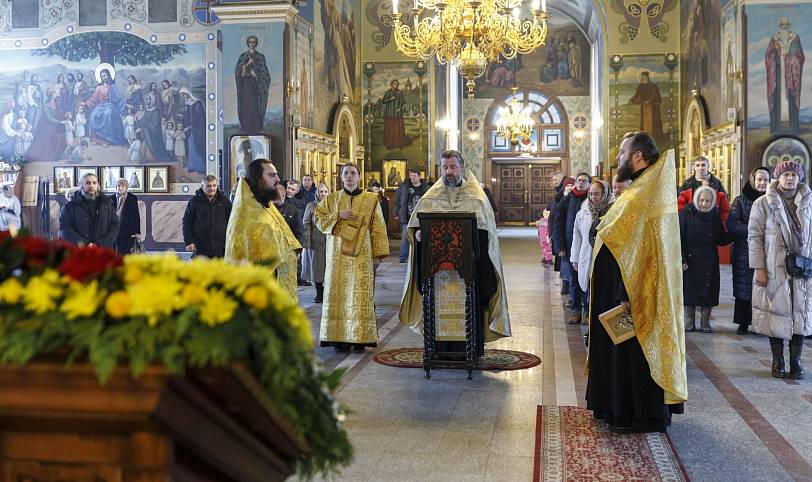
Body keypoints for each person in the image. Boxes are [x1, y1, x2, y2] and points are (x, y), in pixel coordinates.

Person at [586, 131, 686, 433]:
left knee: (632, 354)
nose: (618, 158)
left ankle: (633, 413)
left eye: (622, 152)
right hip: (623, 289)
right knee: (623, 352)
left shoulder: (643, 195)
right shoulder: (641, 189)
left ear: (638, 156)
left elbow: (636, 250)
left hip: (629, 292)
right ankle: (616, 407)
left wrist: (624, 292)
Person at [400, 150, 512, 356]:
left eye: (453, 167)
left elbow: (486, 232)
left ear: (462, 167)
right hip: (437, 270)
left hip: (469, 268)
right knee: (437, 309)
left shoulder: (477, 197)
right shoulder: (430, 197)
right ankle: (438, 350)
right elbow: (417, 226)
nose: (449, 171)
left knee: (471, 306)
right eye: (445, 167)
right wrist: (419, 236)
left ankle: (471, 351)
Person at [315, 163, 389, 351]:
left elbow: (378, 226)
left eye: (353, 173)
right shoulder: (331, 199)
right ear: (341, 177)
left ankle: (359, 337)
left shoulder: (371, 199)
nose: (349, 176)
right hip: (337, 257)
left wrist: (378, 254)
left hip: (361, 258)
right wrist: (338, 215)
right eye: (346, 173)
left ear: (359, 177)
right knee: (338, 295)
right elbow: (318, 219)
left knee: (359, 296)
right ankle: (338, 338)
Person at [748, 160, 811, 379]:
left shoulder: (809, 202)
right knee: (776, 311)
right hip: (775, 266)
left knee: (800, 313)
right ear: (778, 178)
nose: (790, 178)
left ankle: (796, 360)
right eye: (785, 175)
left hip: (804, 268)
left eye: (794, 175)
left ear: (799, 178)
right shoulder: (762, 203)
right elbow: (754, 237)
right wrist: (759, 267)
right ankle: (778, 359)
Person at [225, 159, 301, 297]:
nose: (278, 179)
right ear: (258, 179)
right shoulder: (246, 214)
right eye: (271, 175)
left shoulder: (265, 205)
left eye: (276, 174)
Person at [679, 185, 730, 333]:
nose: (704, 204)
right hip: (690, 260)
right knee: (689, 291)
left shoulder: (714, 215)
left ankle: (705, 322)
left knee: (709, 292)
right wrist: (682, 259)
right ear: (696, 200)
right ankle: (689, 322)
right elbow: (679, 238)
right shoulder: (686, 213)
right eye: (701, 200)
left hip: (709, 260)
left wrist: (735, 233)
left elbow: (720, 237)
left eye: (708, 201)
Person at [727, 167, 771, 335]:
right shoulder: (740, 200)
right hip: (744, 251)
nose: (762, 183)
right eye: (759, 179)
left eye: (765, 180)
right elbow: (732, 225)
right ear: (753, 180)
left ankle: (761, 323)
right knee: (743, 286)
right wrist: (754, 231)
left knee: (764, 287)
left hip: (767, 251)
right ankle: (743, 322)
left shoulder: (772, 200)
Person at [570, 180, 611, 324]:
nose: (593, 197)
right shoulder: (583, 213)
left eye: (597, 194)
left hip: (604, 256)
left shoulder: (612, 210)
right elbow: (577, 236)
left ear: (604, 194)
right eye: (591, 194)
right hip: (586, 254)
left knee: (601, 286)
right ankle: (586, 311)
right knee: (585, 283)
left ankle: (598, 315)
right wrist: (574, 258)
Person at [554, 172, 591, 323]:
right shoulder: (567, 199)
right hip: (571, 246)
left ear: (589, 183)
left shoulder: (593, 198)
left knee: (588, 279)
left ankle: (588, 310)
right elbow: (558, 223)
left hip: (588, 246)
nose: (581, 183)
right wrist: (560, 245)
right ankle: (576, 310)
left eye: (584, 181)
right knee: (574, 279)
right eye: (579, 180)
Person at [59, 173, 120, 248]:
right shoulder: (70, 207)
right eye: (88, 183)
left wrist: (100, 244)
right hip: (79, 252)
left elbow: (115, 225)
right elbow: (65, 228)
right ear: (81, 185)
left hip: (103, 251)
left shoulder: (107, 204)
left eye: (94, 183)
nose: (91, 186)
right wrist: (84, 244)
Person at [766, 17, 804, 135]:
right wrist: (776, 57)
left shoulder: (794, 38)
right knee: (777, 96)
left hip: (791, 75)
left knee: (791, 97)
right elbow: (768, 56)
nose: (784, 27)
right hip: (777, 74)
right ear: (779, 26)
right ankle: (776, 128)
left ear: (789, 25)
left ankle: (794, 128)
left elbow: (800, 56)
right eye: (782, 25)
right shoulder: (774, 39)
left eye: (786, 25)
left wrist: (792, 60)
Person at [183, 175, 232, 258]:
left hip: (220, 248)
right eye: (208, 186)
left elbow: (231, 222)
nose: (212, 188)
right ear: (202, 187)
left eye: (214, 185)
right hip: (200, 248)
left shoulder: (225, 201)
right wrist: (188, 242)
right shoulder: (194, 202)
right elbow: (186, 223)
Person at [677, 156, 731, 223]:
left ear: (708, 166)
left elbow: (725, 208)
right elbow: (680, 208)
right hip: (693, 223)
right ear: (694, 167)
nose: (700, 168)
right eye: (697, 165)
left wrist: (722, 223)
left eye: (703, 165)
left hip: (713, 223)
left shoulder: (716, 183)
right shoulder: (687, 184)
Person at [235, 35, 271, 133]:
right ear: (248, 43)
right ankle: (246, 127)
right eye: (250, 42)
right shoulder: (243, 56)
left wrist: (256, 75)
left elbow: (265, 73)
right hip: (246, 85)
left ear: (256, 43)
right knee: (246, 105)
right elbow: (239, 72)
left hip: (256, 86)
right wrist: (247, 65)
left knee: (255, 105)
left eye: (254, 42)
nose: (252, 43)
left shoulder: (260, 57)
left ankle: (256, 127)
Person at [393, 169, 428, 263]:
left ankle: (421, 257)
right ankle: (403, 257)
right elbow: (396, 199)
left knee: (421, 236)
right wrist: (395, 213)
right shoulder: (404, 186)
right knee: (405, 237)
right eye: (411, 175)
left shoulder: (425, 187)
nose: (412, 177)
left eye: (415, 176)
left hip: (420, 217)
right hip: (407, 216)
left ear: (419, 177)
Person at [302, 182, 329, 303]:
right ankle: (319, 292)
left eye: (325, 191)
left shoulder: (333, 205)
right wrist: (306, 241)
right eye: (321, 191)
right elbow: (306, 224)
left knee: (329, 267)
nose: (323, 194)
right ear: (317, 193)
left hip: (330, 241)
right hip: (316, 241)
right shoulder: (310, 206)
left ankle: (328, 291)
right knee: (317, 268)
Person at [629, 72, 663, 142]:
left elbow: (655, 95)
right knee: (644, 123)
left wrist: (649, 101)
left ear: (647, 77)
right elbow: (637, 94)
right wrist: (632, 100)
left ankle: (655, 137)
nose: (642, 78)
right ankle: (644, 137)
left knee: (653, 122)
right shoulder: (640, 86)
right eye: (642, 76)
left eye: (644, 76)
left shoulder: (653, 86)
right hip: (644, 106)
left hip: (653, 107)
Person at [113, 178, 140, 254]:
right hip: (114, 229)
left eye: (122, 186)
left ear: (126, 187)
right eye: (118, 186)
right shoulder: (111, 198)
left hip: (127, 228)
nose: (120, 188)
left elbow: (136, 215)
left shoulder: (132, 198)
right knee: (114, 249)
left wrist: (136, 231)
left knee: (126, 250)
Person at [379, 79, 406, 148]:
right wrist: (390, 99)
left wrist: (399, 107)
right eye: (394, 84)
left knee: (398, 129)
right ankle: (389, 144)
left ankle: (400, 144)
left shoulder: (399, 92)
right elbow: (383, 101)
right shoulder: (388, 92)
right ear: (391, 84)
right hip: (390, 113)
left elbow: (402, 101)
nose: (395, 85)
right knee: (390, 129)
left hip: (398, 114)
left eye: (396, 84)